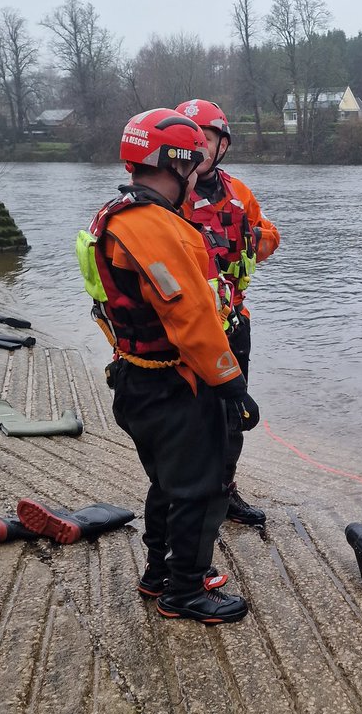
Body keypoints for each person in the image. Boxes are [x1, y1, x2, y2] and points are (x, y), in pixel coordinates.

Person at [76, 108, 260, 624]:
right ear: (176, 165)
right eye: (193, 166)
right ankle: (185, 590)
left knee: (167, 483)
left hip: (132, 377)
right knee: (202, 489)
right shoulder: (159, 229)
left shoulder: (109, 217)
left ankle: (158, 573)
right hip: (174, 382)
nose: (196, 177)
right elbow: (193, 319)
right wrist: (232, 386)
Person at [175, 99, 280, 527]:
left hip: (234, 322)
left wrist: (254, 239)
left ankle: (225, 490)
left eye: (208, 139)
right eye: (192, 140)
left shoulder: (240, 193)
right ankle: (190, 501)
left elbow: (271, 235)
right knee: (189, 420)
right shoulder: (171, 195)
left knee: (234, 416)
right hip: (187, 329)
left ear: (222, 146)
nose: (200, 148)